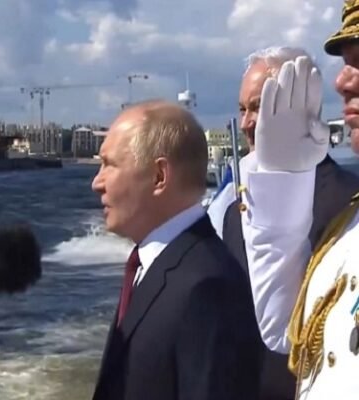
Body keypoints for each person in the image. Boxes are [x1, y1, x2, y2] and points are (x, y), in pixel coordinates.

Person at [90, 99, 262, 400]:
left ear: (159, 176)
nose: (97, 183)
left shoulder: (208, 286)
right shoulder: (152, 266)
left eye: (110, 165)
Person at [217, 47, 359, 400]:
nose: (247, 123)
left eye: (259, 107)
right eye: (242, 110)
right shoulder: (234, 208)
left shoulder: (342, 202)